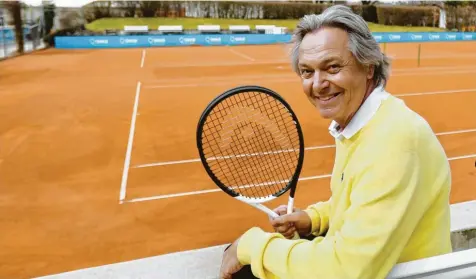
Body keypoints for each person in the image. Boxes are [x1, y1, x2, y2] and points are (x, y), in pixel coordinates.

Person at [219, 4, 453, 279]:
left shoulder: (394, 140)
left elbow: (343, 271)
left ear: (368, 67)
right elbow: (362, 200)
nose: (318, 84)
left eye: (332, 67)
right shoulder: (362, 123)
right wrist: (314, 219)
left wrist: (249, 245)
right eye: (307, 72)